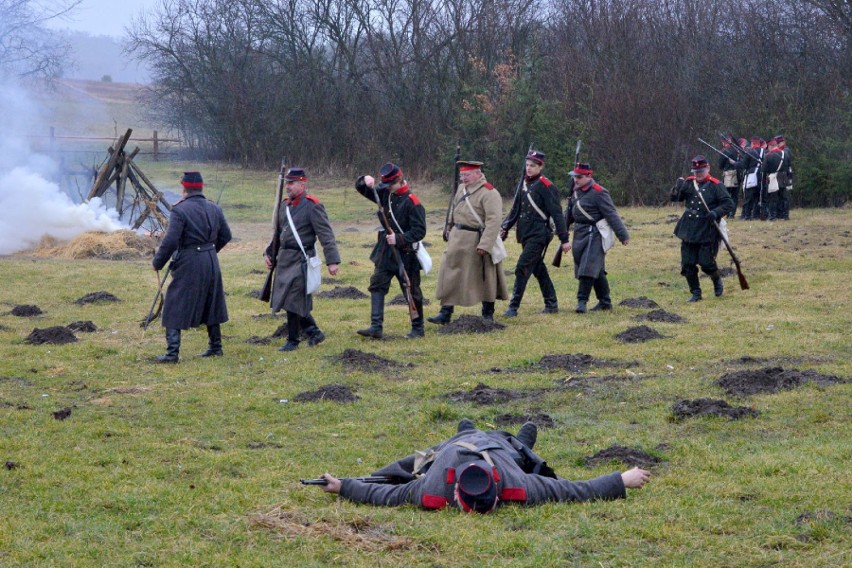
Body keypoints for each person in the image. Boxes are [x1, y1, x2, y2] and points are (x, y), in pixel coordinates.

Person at [314, 418, 651, 513]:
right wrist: (342, 486)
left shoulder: (515, 482)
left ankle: (519, 439)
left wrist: (620, 480)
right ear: (456, 491)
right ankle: (471, 430)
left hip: (499, 451)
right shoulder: (433, 487)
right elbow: (386, 494)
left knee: (519, 450)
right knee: (455, 438)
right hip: (452, 449)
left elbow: (574, 490)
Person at [151, 171, 232, 363]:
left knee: (173, 302)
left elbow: (170, 241)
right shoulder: (215, 208)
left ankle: (172, 354)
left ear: (184, 188)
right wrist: (210, 251)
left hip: (189, 261)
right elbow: (226, 236)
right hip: (211, 259)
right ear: (201, 187)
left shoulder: (180, 210)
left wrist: (158, 262)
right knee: (211, 301)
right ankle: (215, 346)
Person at [264, 168, 340, 351]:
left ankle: (293, 341)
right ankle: (313, 332)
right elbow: (278, 233)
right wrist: (269, 253)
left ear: (302, 184)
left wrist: (332, 260)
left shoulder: (313, 206)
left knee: (293, 299)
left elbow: (326, 234)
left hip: (301, 258)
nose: (288, 187)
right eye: (287, 183)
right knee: (287, 299)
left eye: (292, 183)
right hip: (284, 258)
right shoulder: (284, 205)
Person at [428, 161, 509, 324]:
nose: (463, 178)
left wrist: (485, 245)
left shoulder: (489, 193)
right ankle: (445, 312)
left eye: (467, 175)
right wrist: (448, 227)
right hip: (457, 238)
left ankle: (487, 314)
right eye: (462, 175)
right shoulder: (460, 189)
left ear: (478, 174)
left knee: (486, 277)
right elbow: (454, 209)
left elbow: (494, 221)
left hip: (477, 239)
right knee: (450, 274)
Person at [354, 163, 427, 339]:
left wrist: (399, 238)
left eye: (390, 185)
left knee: (411, 290)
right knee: (377, 285)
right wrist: (364, 180)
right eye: (384, 185)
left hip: (406, 253)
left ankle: (418, 328)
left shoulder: (413, 203)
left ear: (399, 180)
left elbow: (419, 231)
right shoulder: (386, 193)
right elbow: (362, 189)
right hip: (386, 251)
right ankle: (376, 327)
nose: (387, 188)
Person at [499, 150, 570, 316]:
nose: (528, 168)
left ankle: (513, 307)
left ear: (541, 166)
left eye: (532, 165)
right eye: (527, 165)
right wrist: (505, 227)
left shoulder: (547, 186)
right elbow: (515, 209)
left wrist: (564, 239)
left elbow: (557, 214)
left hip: (539, 234)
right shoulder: (523, 184)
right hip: (525, 233)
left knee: (522, 267)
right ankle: (551, 303)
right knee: (538, 268)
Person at [565, 163, 630, 313]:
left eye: (579, 177)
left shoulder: (599, 192)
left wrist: (623, 235)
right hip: (579, 233)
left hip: (595, 234)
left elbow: (611, 214)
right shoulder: (575, 192)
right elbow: (570, 213)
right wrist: (560, 228)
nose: (576, 180)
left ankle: (582, 302)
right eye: (575, 177)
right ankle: (605, 302)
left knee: (587, 268)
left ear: (589, 176)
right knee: (597, 269)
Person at [670, 156, 734, 302]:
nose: (698, 173)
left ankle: (716, 279)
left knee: (706, 263)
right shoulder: (689, 182)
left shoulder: (716, 185)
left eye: (701, 170)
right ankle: (696, 293)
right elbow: (676, 198)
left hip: (707, 228)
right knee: (687, 264)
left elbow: (729, 204)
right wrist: (676, 187)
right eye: (696, 170)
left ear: (708, 168)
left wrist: (716, 212)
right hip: (689, 228)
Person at [717, 136, 743, 218]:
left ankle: (729, 213)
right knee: (735, 196)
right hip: (737, 174)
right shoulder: (737, 150)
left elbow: (720, 165)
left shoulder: (724, 151)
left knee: (727, 195)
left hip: (728, 175)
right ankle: (732, 213)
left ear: (724, 142)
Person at [740, 137, 765, 220]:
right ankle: (756, 215)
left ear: (753, 143)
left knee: (749, 197)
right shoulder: (763, 151)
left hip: (751, 176)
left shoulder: (749, 152)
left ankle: (747, 215)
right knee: (757, 197)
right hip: (760, 176)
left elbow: (744, 165)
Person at [761, 138, 784, 221]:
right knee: (782, 197)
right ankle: (782, 215)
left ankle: (772, 216)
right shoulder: (784, 153)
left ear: (770, 146)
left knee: (772, 199)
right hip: (783, 177)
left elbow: (764, 169)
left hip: (772, 178)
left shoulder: (768, 156)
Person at [775, 135, 792, 220]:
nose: (777, 144)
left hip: (784, 175)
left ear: (783, 142)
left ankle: (785, 214)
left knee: (784, 196)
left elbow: (788, 164)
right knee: (778, 196)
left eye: (779, 143)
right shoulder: (780, 150)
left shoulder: (786, 150)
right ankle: (780, 214)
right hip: (778, 175)